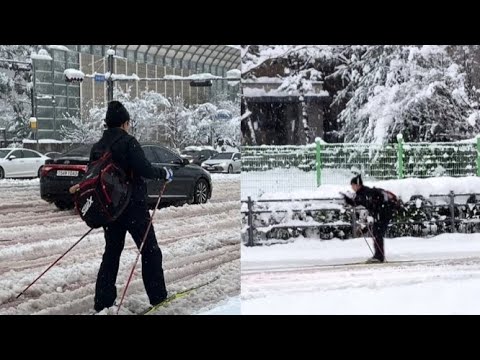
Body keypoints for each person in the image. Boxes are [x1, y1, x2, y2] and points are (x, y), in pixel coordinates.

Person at [74, 100, 173, 312]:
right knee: (150, 251)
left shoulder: (98, 147)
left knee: (111, 253)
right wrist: (163, 173)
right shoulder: (128, 142)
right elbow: (144, 169)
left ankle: (103, 302)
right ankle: (158, 298)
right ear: (125, 123)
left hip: (109, 210)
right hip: (133, 207)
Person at [340, 175, 396, 263]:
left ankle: (379, 256)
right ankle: (378, 255)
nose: (352, 187)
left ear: (357, 185)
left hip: (383, 212)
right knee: (376, 232)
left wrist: (348, 199)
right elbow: (356, 202)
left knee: (377, 233)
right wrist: (347, 198)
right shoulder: (363, 192)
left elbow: (359, 202)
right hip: (382, 212)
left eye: (353, 185)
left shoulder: (365, 192)